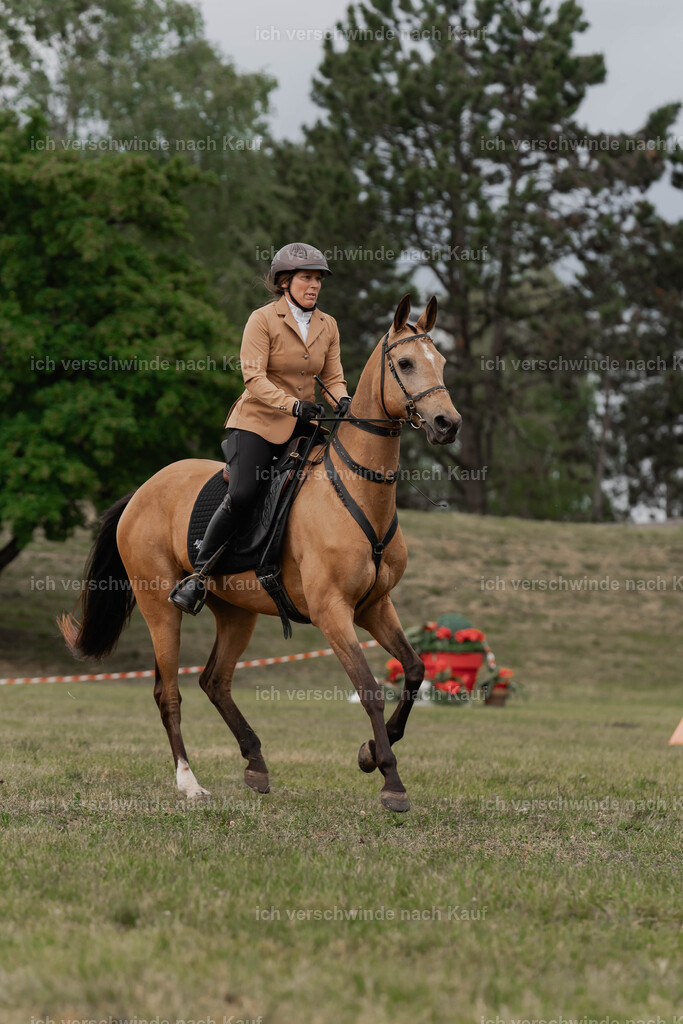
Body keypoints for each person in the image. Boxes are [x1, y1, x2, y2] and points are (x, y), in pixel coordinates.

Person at [170, 242, 351, 613]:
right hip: (257, 423)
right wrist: (293, 404)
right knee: (242, 493)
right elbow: (253, 377)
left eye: (318, 279)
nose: (314, 285)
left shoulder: (328, 324)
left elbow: (332, 377)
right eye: (306, 278)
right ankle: (199, 575)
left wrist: (344, 401)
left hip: (305, 424)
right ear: (285, 282)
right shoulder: (262, 319)